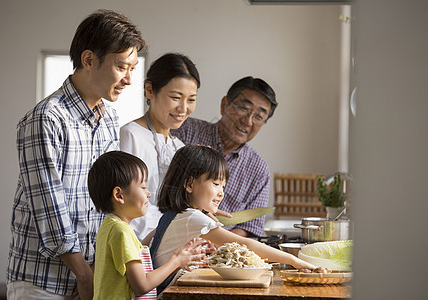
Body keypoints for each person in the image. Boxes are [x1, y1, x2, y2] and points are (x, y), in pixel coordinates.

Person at [6, 9, 146, 300]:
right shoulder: (47, 118)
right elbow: (49, 206)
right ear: (89, 60)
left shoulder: (109, 119)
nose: (129, 79)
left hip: (93, 276)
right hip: (42, 280)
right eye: (122, 67)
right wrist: (83, 274)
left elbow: (110, 199)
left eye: (133, 68)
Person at [150, 145, 316, 293]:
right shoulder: (192, 217)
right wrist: (294, 260)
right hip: (166, 293)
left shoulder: (174, 215)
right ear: (190, 185)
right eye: (215, 184)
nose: (221, 192)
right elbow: (246, 244)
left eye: (223, 185)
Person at [87, 151, 211, 299]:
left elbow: (142, 277)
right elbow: (142, 285)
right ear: (119, 195)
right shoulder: (121, 232)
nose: (149, 194)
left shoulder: (108, 226)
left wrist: (179, 263)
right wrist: (176, 260)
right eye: (143, 187)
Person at [171, 76, 278, 238]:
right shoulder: (186, 132)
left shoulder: (259, 170)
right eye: (243, 108)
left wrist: (213, 243)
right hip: (173, 235)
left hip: (220, 251)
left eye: (258, 117)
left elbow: (250, 228)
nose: (248, 121)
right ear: (224, 105)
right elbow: (163, 186)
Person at [119, 53, 200, 242]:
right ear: (149, 90)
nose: (183, 108)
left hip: (167, 243)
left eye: (191, 99)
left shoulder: (178, 146)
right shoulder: (131, 135)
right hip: (136, 246)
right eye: (175, 97)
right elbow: (125, 205)